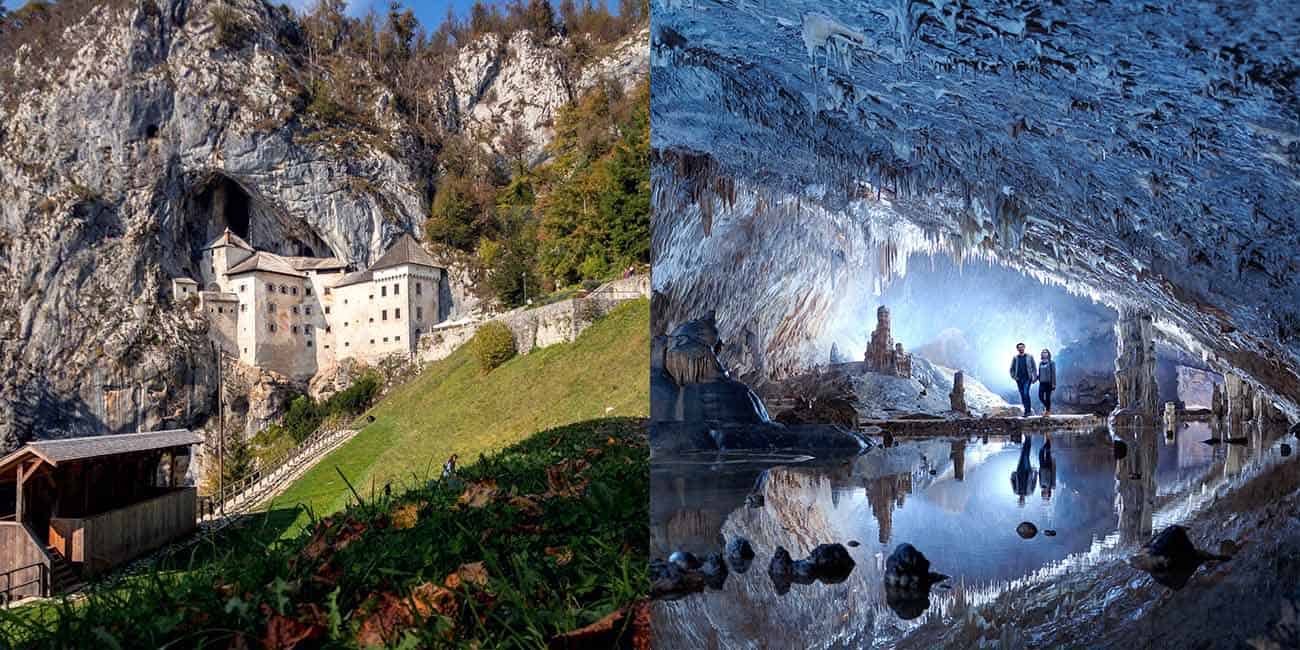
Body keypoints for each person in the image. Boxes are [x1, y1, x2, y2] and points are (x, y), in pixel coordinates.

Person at [1009, 342, 1038, 416]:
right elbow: (1011, 369)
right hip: (1019, 379)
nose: (1021, 348)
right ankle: (1026, 410)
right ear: (1017, 349)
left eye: (1022, 347)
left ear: (1024, 347)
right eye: (1019, 347)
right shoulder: (1015, 358)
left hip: (1028, 378)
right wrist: (1014, 377)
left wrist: (1035, 377)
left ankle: (1028, 411)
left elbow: (1034, 367)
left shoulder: (1029, 356)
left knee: (1026, 393)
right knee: (1022, 394)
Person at [1038, 348, 1057, 417]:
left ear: (1048, 354)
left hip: (1049, 383)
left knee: (1048, 397)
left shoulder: (1051, 362)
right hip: (1042, 383)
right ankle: (1048, 408)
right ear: (1041, 354)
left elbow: (1053, 374)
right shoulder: (1040, 363)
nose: (1044, 353)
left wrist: (1054, 384)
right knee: (1040, 396)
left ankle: (1047, 411)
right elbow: (1040, 373)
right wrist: (1036, 378)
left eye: (1045, 352)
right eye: (1043, 352)